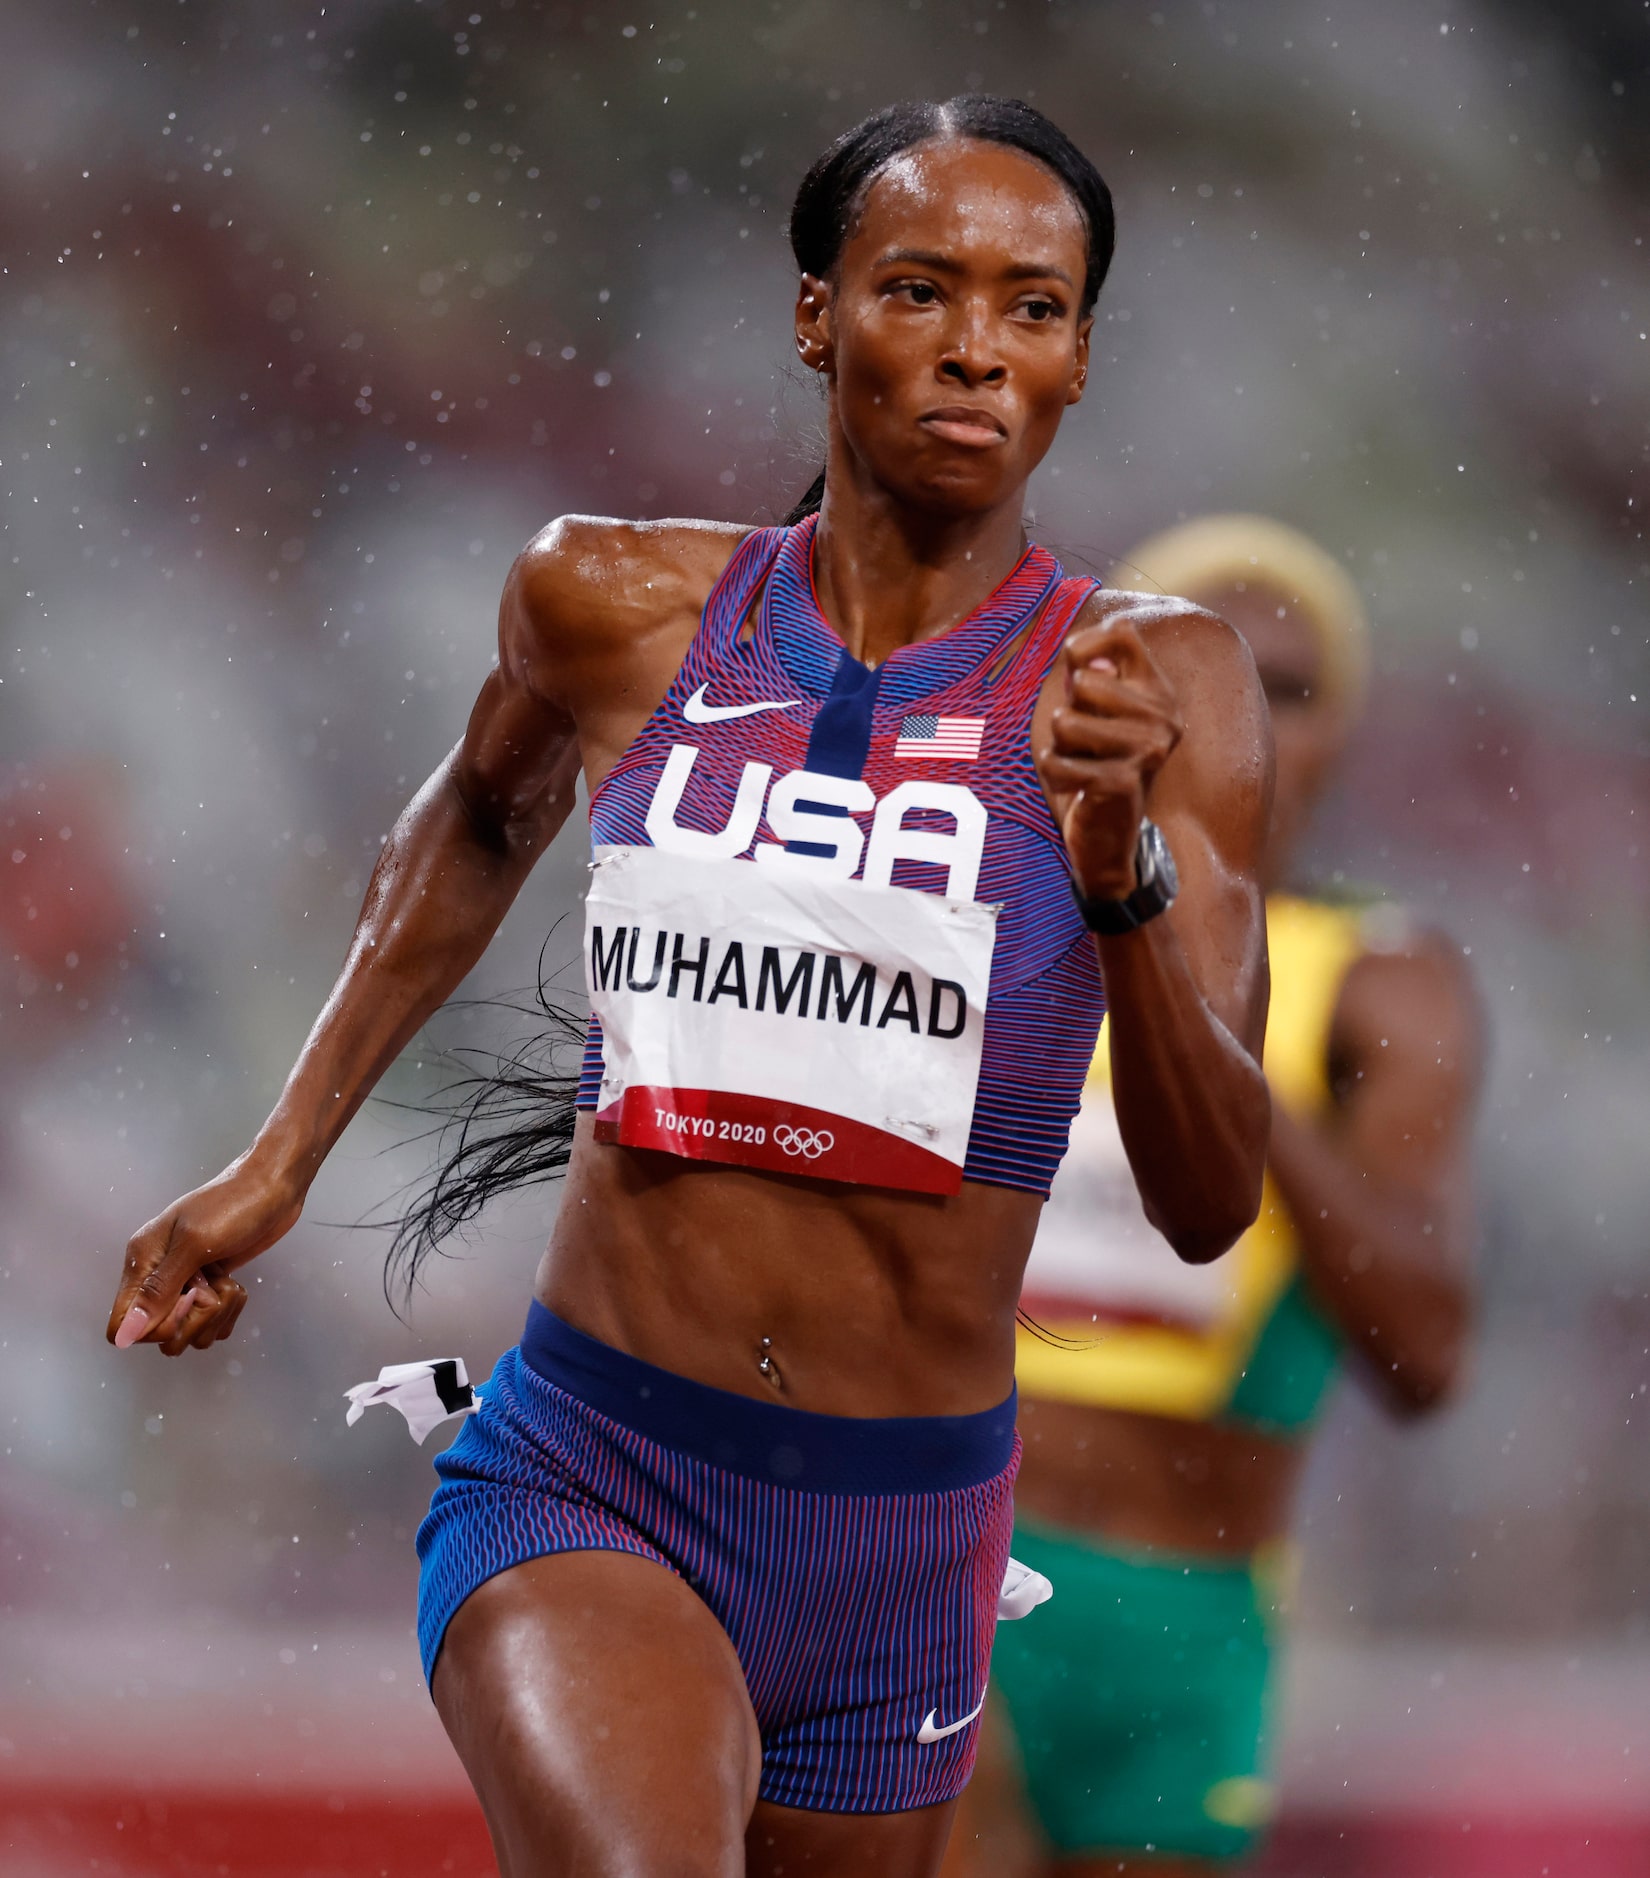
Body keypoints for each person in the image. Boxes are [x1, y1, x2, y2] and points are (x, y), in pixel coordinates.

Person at [105, 101, 1274, 1878]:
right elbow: (473, 828)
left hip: (905, 1543)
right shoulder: (614, 600)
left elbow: (1208, 1204)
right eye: (918, 289)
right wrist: (278, 1162)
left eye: (1031, 308)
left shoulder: (1155, 680)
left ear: (1081, 357)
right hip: (596, 1471)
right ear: (817, 318)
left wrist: (1113, 871)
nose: (974, 347)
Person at [943, 515, 1483, 1878]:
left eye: (1288, 688)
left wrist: (1205, 1035)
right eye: (1202, 672)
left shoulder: (1379, 982)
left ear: (1341, 734)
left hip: (1188, 1623)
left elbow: (1424, 1352)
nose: (1242, 715)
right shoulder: (982, 920)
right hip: (953, 1570)